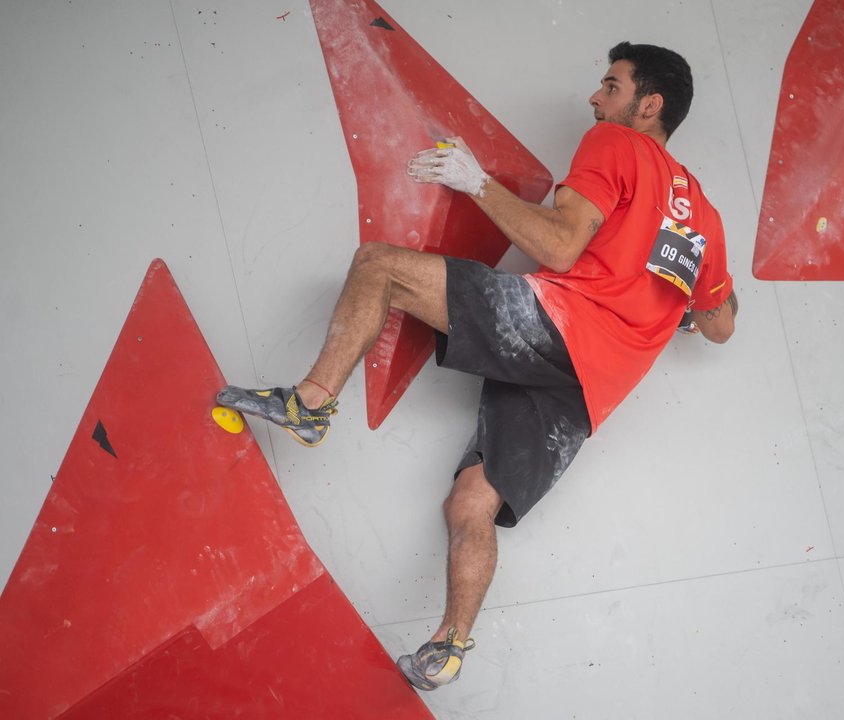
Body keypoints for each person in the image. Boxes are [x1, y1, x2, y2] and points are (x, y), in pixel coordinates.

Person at [216, 41, 738, 691]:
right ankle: (450, 644)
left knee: (378, 266)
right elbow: (720, 324)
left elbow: (559, 244)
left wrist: (475, 181)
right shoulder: (706, 219)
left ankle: (312, 402)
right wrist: (675, 303)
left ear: (648, 105)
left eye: (611, 85)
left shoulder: (616, 144)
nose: (595, 98)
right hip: (589, 389)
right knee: (472, 502)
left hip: (560, 328)